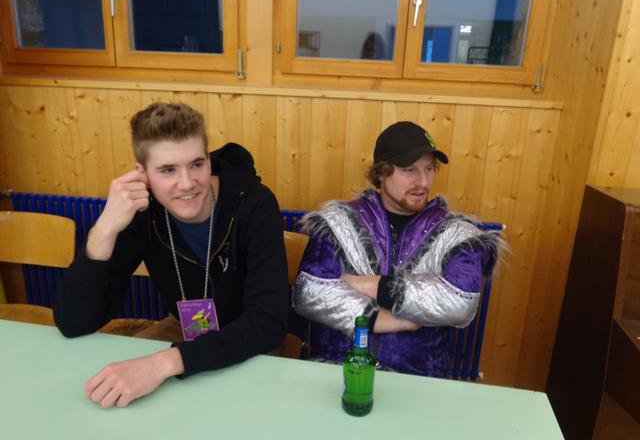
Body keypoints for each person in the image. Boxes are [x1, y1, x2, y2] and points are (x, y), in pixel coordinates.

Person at [54, 102, 288, 407]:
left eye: (197, 164)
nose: (187, 183)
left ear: (208, 159)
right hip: (184, 329)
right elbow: (74, 323)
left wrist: (162, 364)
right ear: (142, 174)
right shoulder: (141, 211)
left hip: (248, 337)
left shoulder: (254, 204)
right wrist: (104, 229)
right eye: (167, 170)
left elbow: (268, 323)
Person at [293, 121, 502, 378]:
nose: (423, 181)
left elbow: (460, 301)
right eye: (409, 170)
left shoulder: (458, 235)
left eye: (429, 169)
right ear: (382, 172)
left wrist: (378, 286)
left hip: (419, 381)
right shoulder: (338, 222)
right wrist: (389, 319)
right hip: (339, 373)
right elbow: (310, 292)